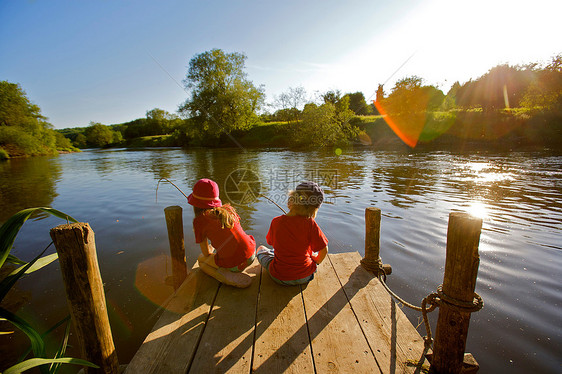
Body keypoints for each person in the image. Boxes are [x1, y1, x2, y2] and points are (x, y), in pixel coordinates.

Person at [188, 178, 256, 288]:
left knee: (201, 261)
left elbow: (206, 254)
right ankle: (230, 270)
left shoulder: (199, 221)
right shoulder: (228, 209)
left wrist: (209, 251)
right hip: (251, 255)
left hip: (235, 265)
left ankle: (225, 277)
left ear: (195, 204)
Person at [257, 181, 329, 286]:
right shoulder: (310, 224)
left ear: (291, 200)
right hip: (306, 276)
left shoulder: (276, 221)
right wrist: (316, 261)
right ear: (314, 209)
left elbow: (271, 242)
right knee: (310, 253)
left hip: (279, 276)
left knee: (261, 249)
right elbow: (324, 249)